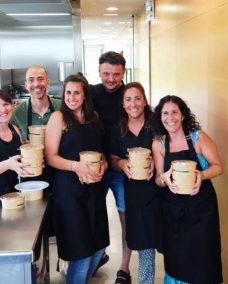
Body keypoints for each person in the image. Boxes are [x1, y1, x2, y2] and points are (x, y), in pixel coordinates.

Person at [45, 73, 110, 283]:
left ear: (85, 96)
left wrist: (104, 165)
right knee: (80, 253)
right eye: (68, 93)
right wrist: (75, 166)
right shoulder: (58, 118)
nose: (71, 97)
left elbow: (102, 153)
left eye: (76, 93)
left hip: (94, 190)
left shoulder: (94, 118)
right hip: (69, 193)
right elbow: (50, 156)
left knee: (99, 246)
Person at [152, 95, 223, 284]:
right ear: (160, 117)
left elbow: (218, 166)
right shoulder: (159, 144)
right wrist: (164, 178)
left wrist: (202, 175)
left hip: (202, 209)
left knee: (204, 256)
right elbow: (158, 180)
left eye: (175, 112)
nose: (170, 117)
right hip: (173, 211)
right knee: (177, 259)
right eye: (165, 113)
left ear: (183, 115)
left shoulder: (198, 137)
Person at [110, 82, 162, 284]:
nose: (133, 104)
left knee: (161, 236)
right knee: (141, 238)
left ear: (145, 101)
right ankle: (145, 281)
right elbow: (113, 160)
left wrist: (156, 165)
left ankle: (173, 276)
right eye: (128, 99)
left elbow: (170, 150)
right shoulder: (118, 129)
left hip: (157, 188)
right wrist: (122, 163)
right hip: (133, 192)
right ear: (123, 104)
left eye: (138, 98)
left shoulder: (156, 124)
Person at [89, 51, 131, 281]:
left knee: (127, 219)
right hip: (96, 167)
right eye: (106, 73)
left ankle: (124, 269)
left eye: (116, 74)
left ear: (123, 72)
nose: (111, 79)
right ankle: (96, 256)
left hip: (123, 168)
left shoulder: (130, 94)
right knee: (93, 215)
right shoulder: (91, 93)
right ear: (99, 72)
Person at [11, 65, 62, 141]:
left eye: (40, 79)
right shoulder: (16, 114)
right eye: (31, 80)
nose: (36, 84)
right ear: (26, 85)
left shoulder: (62, 107)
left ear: (48, 82)